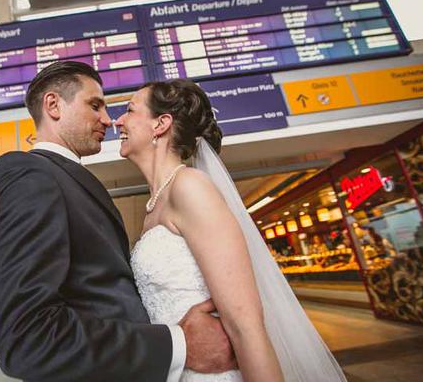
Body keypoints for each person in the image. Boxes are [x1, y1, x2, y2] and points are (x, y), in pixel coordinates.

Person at [0, 61, 236, 381]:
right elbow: (26, 337)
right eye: (95, 105)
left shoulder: (75, 181)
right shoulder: (27, 174)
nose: (107, 118)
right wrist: (179, 344)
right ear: (54, 105)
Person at [114, 79, 347, 381]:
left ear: (161, 124)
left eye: (130, 110)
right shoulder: (154, 207)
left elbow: (245, 325)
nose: (118, 120)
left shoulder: (189, 187)